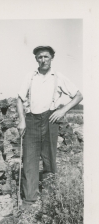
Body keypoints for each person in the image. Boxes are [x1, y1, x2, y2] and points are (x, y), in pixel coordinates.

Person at [17, 45, 83, 209]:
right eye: (40, 57)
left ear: (52, 57)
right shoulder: (30, 77)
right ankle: (29, 200)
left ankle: (48, 199)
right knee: (29, 159)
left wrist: (62, 110)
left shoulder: (58, 77)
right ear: (36, 59)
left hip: (50, 120)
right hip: (31, 119)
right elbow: (19, 99)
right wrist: (22, 120)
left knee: (49, 159)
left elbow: (78, 95)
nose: (43, 60)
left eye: (46, 56)